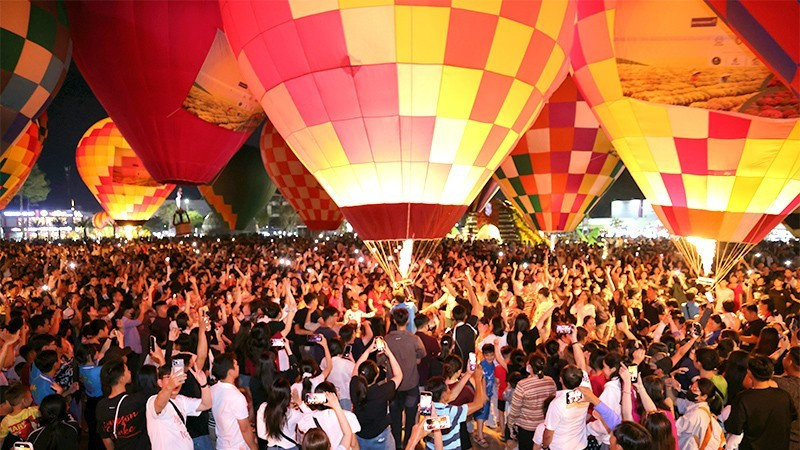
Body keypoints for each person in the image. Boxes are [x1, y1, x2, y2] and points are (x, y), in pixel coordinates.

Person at [726, 355, 797, 450]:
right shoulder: (784, 396)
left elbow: (734, 428)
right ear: (771, 373)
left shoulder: (743, 398)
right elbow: (793, 416)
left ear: (749, 373)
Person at [350, 339, 403, 450]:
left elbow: (356, 368)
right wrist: (389, 353)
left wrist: (368, 351)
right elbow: (399, 375)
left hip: (360, 435)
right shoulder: (382, 392)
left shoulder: (354, 386)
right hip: (380, 438)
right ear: (376, 376)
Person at [385, 307, 426, 448]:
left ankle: (397, 445)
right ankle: (409, 444)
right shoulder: (415, 339)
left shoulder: (386, 340)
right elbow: (422, 354)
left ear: (394, 320)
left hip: (393, 388)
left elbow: (379, 359)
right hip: (411, 384)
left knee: (395, 419)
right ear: (408, 320)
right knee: (410, 419)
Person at [146, 363, 211, 450]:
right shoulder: (153, 400)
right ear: (160, 382)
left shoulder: (181, 399)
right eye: (169, 377)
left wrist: (203, 385)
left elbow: (206, 405)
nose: (175, 382)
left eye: (178, 377)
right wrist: (169, 386)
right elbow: (159, 405)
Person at [507, 354, 556, 450]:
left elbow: (515, 408)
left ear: (529, 366)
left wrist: (510, 423)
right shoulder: (550, 381)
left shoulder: (522, 385)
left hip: (527, 427)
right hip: (544, 425)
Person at [211, 353, 258, 450]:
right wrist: (254, 447)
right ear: (230, 372)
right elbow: (244, 429)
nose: (238, 366)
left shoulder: (212, 390)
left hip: (221, 444)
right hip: (237, 445)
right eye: (236, 364)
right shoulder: (236, 397)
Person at [256, 378, 306, 450]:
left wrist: (273, 437)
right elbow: (309, 420)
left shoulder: (263, 408)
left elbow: (261, 434)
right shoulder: (293, 413)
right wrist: (300, 403)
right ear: (288, 395)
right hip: (290, 447)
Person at [775, 346, 800, 450]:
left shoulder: (784, 384)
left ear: (789, 362)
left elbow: (760, 371)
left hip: (788, 440)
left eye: (785, 356)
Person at [0, 383, 39, 449]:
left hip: (21, 447)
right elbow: (46, 407)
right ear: (24, 401)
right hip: (36, 442)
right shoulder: (32, 411)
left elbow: (1, 440)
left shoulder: (5, 421)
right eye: (31, 396)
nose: (32, 398)